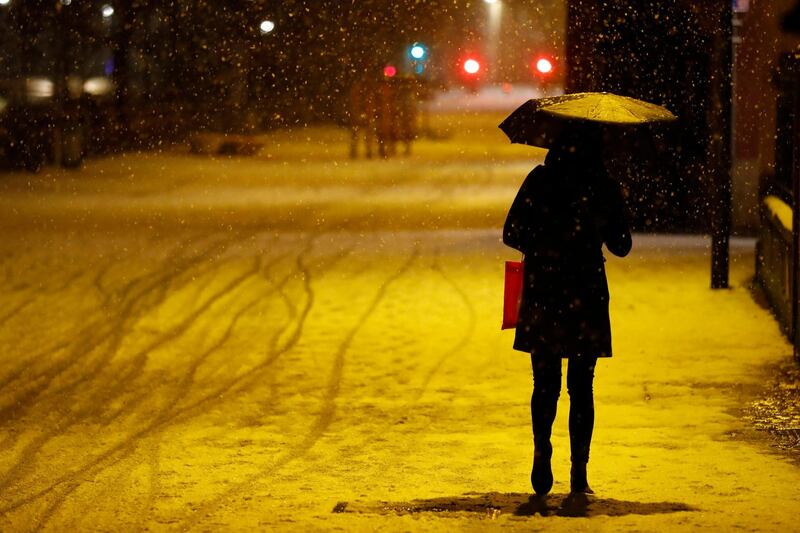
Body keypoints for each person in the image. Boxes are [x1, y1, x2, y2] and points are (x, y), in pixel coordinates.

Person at [502, 133, 632, 496]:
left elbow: (511, 232)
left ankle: (542, 451)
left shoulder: (540, 180)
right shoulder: (603, 185)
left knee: (544, 384)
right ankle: (579, 470)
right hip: (586, 291)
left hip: (544, 289)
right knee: (582, 387)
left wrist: (545, 243)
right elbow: (622, 246)